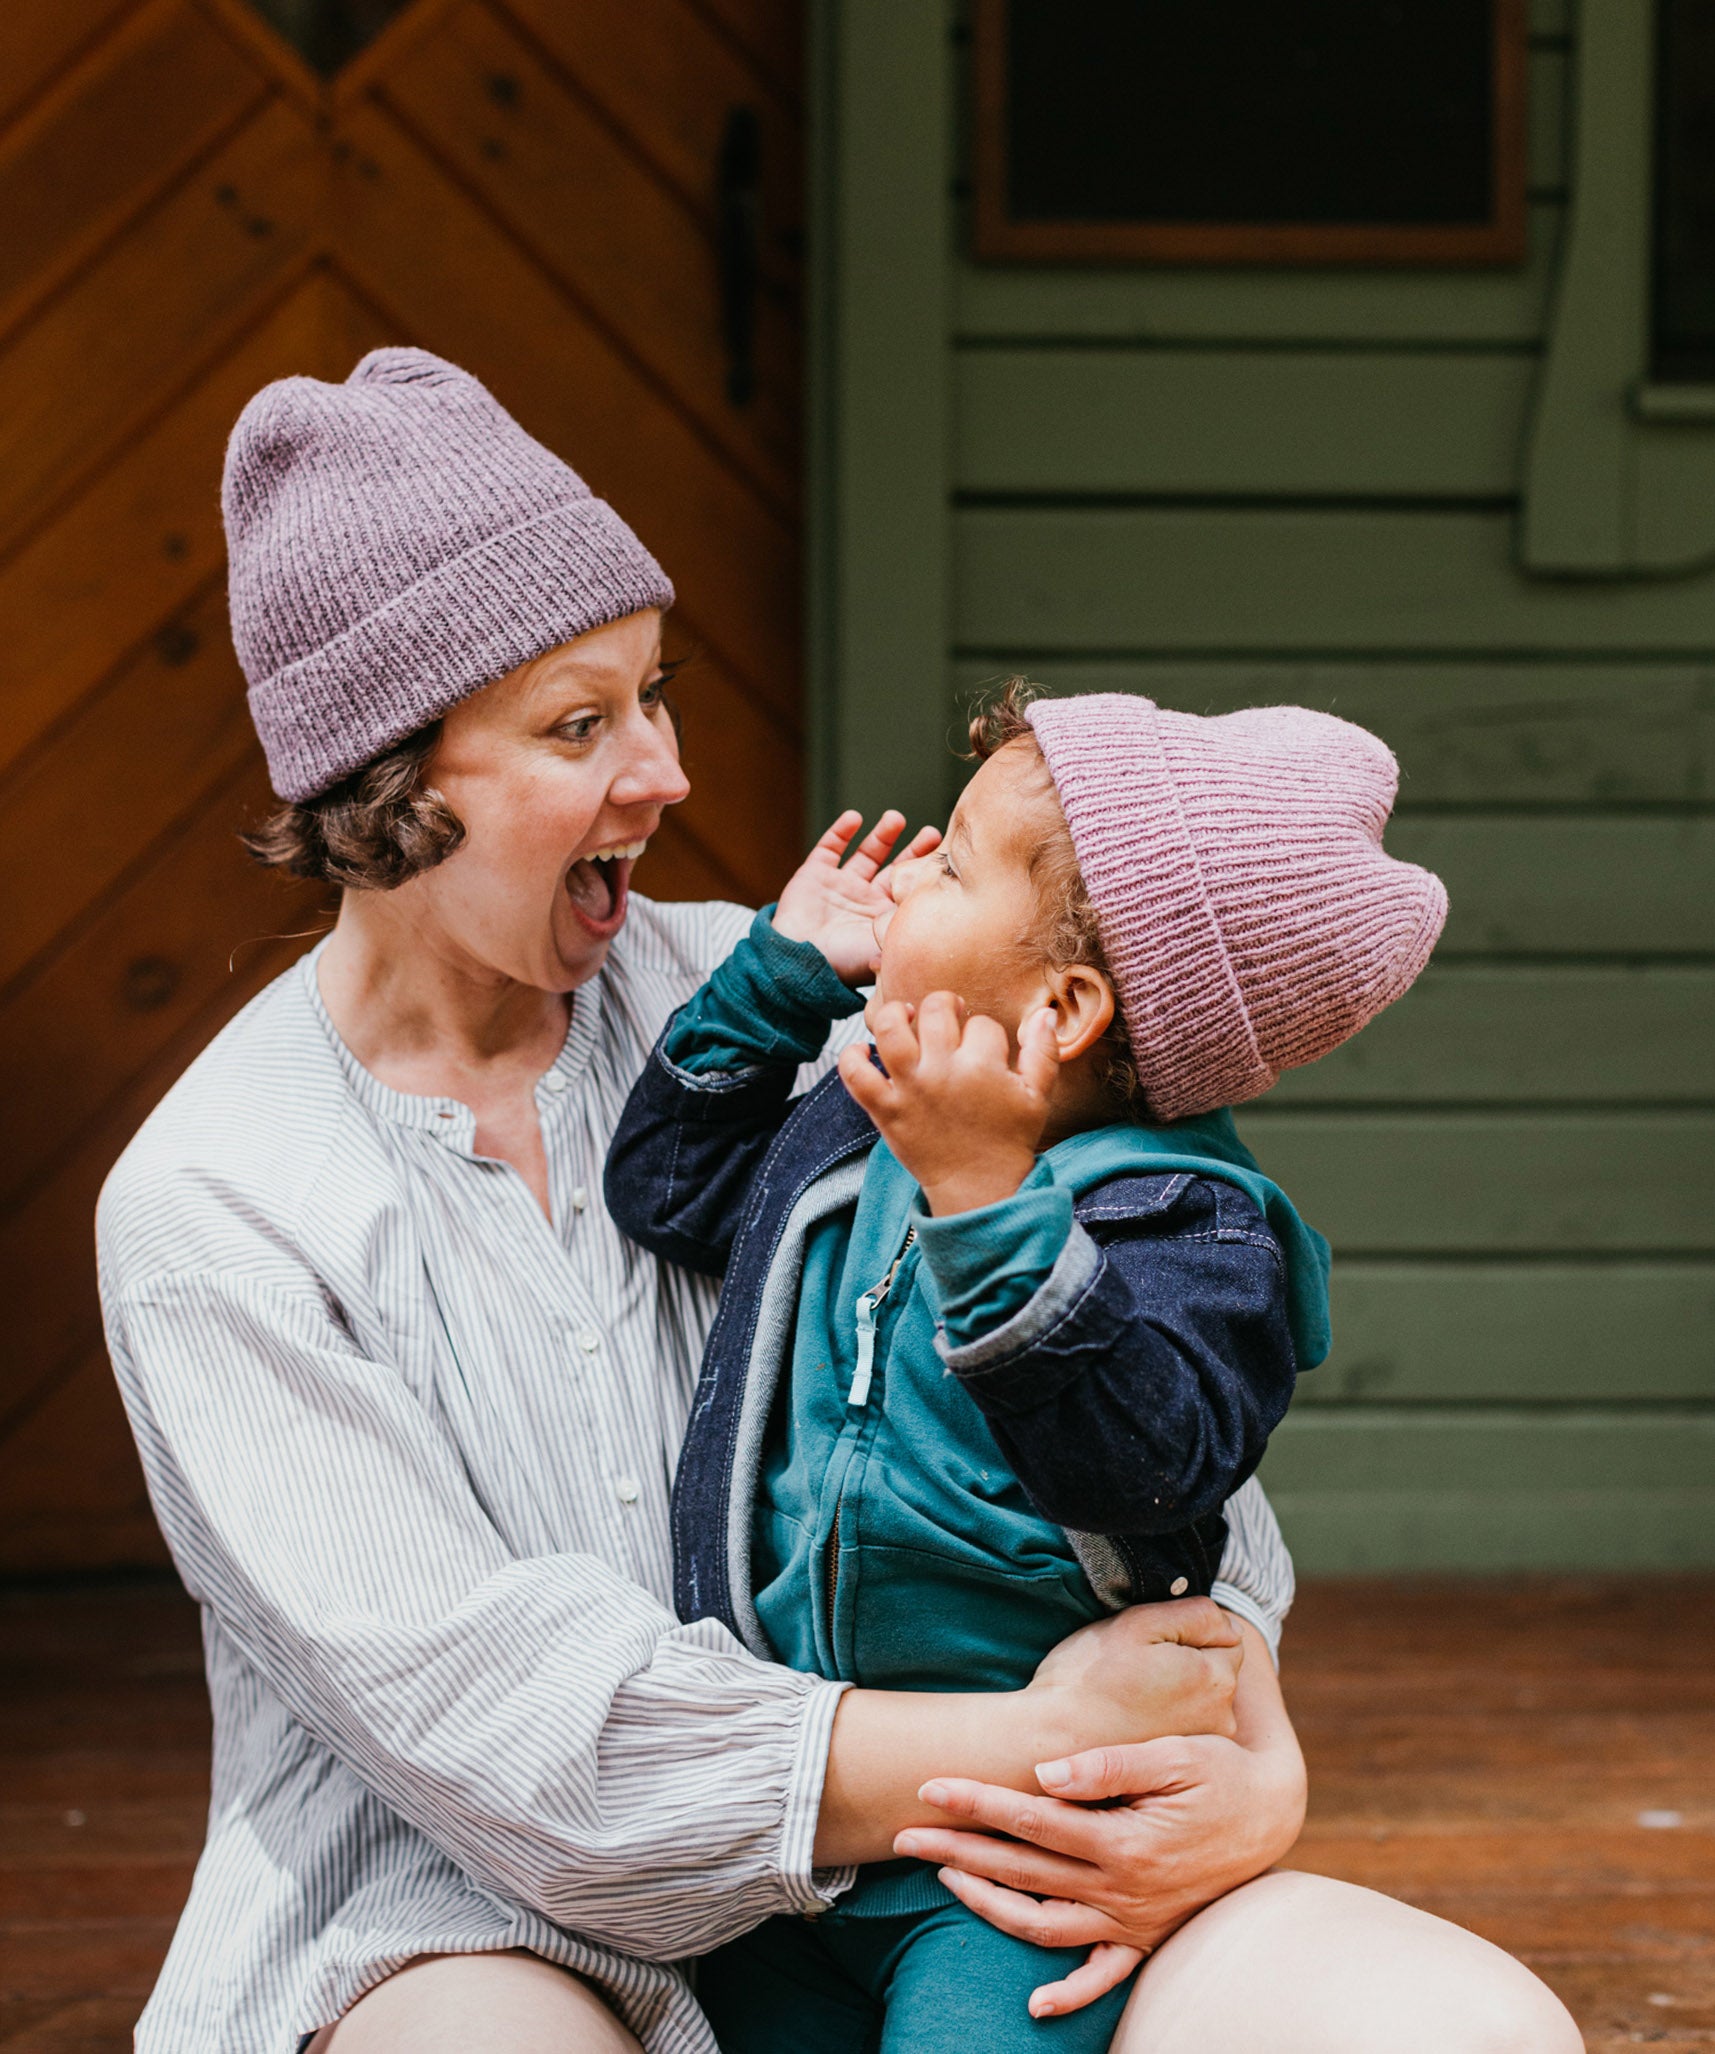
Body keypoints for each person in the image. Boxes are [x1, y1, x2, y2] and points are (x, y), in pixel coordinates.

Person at [96, 348, 1581, 2052]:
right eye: (581, 724)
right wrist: (1027, 1745)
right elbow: (499, 1730)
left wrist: (1233, 1733)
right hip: (465, 1913)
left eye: (655, 694)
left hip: (958, 1861)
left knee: (1457, 2027)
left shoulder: (803, 1005)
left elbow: (1157, 1432)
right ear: (390, 789)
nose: (663, 771)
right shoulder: (218, 1206)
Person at [603, 682, 1438, 2049]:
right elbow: (669, 1187)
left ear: (1060, 1009)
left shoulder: (1188, 1223)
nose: (911, 864)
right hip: (800, 1828)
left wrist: (990, 1206)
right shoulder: (855, 1118)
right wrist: (781, 976)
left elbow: (1146, 1464)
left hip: (1023, 1857)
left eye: (951, 861)